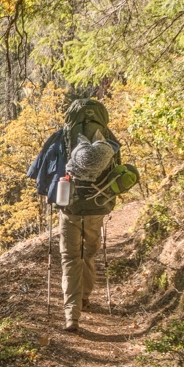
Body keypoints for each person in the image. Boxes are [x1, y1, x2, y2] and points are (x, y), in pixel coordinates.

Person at [28, 98, 121, 332]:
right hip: (97, 205)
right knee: (88, 253)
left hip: (68, 205)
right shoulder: (109, 139)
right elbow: (118, 171)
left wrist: (49, 193)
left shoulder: (61, 137)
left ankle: (72, 316)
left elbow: (41, 169)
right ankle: (84, 298)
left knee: (70, 257)